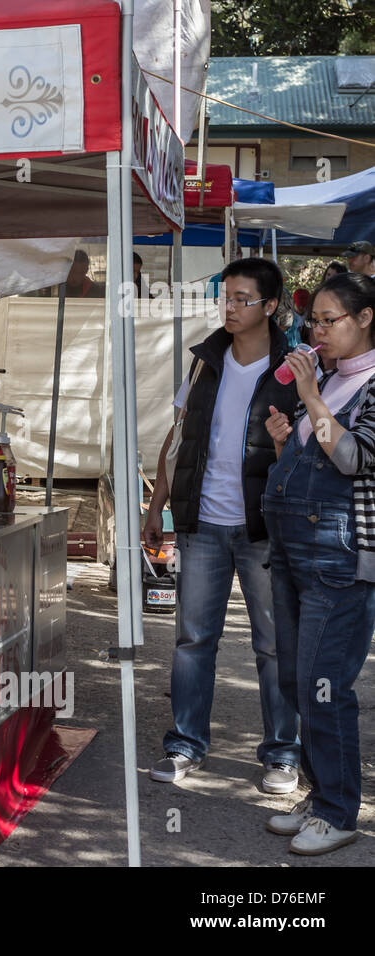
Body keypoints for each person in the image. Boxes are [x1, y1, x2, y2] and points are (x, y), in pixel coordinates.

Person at [144, 256, 301, 792]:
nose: (229, 307)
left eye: (242, 299)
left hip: (265, 529)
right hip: (202, 523)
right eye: (225, 297)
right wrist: (156, 505)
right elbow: (179, 434)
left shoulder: (295, 368)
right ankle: (186, 744)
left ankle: (282, 754)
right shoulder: (204, 361)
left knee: (276, 645)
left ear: (271, 306)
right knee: (192, 639)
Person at [261, 272, 375, 855]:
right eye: (314, 322)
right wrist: (288, 442)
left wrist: (308, 398)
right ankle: (320, 792)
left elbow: (354, 459)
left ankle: (339, 810)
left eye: (329, 320)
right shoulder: (332, 378)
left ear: (365, 319)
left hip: (340, 554)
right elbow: (319, 459)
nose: (318, 331)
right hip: (294, 548)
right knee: (295, 680)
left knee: (324, 684)